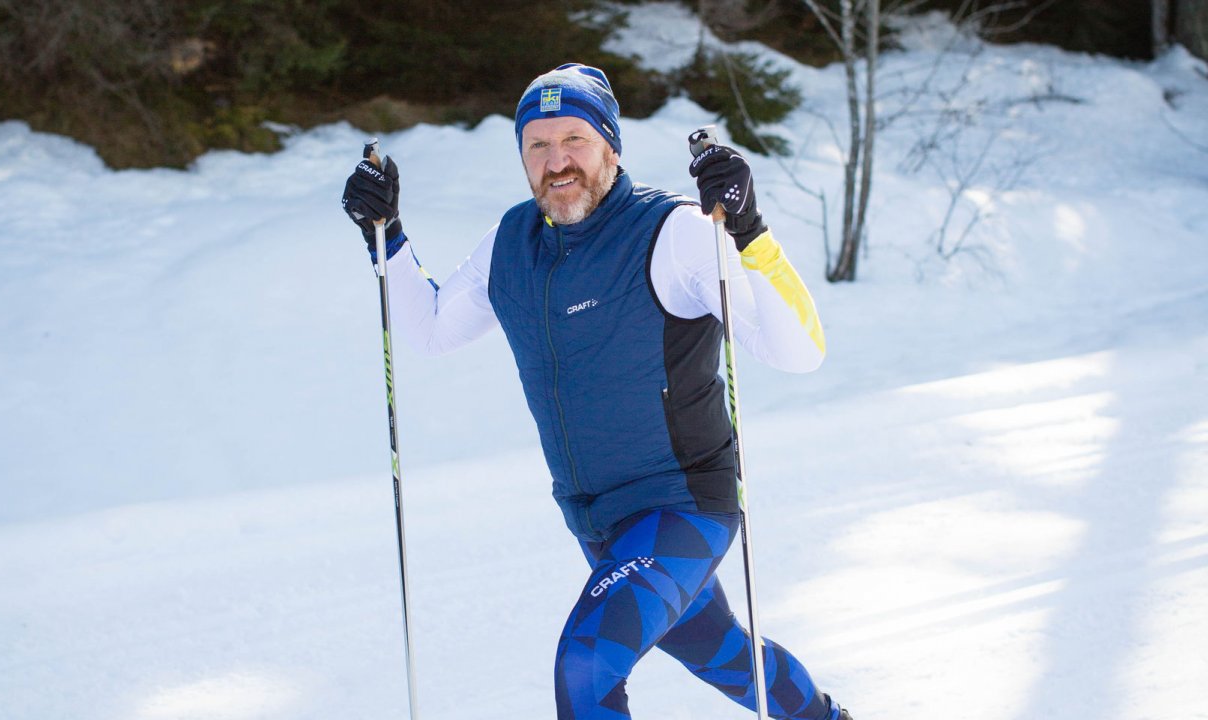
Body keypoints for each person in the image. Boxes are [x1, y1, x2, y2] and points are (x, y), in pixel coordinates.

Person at [342, 63, 850, 720]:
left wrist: (747, 230)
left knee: (586, 661)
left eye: (574, 140)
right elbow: (434, 330)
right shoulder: (511, 244)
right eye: (538, 145)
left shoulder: (674, 232)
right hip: (600, 524)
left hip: (685, 507)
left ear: (611, 145)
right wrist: (386, 236)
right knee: (724, 654)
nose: (557, 162)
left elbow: (799, 352)